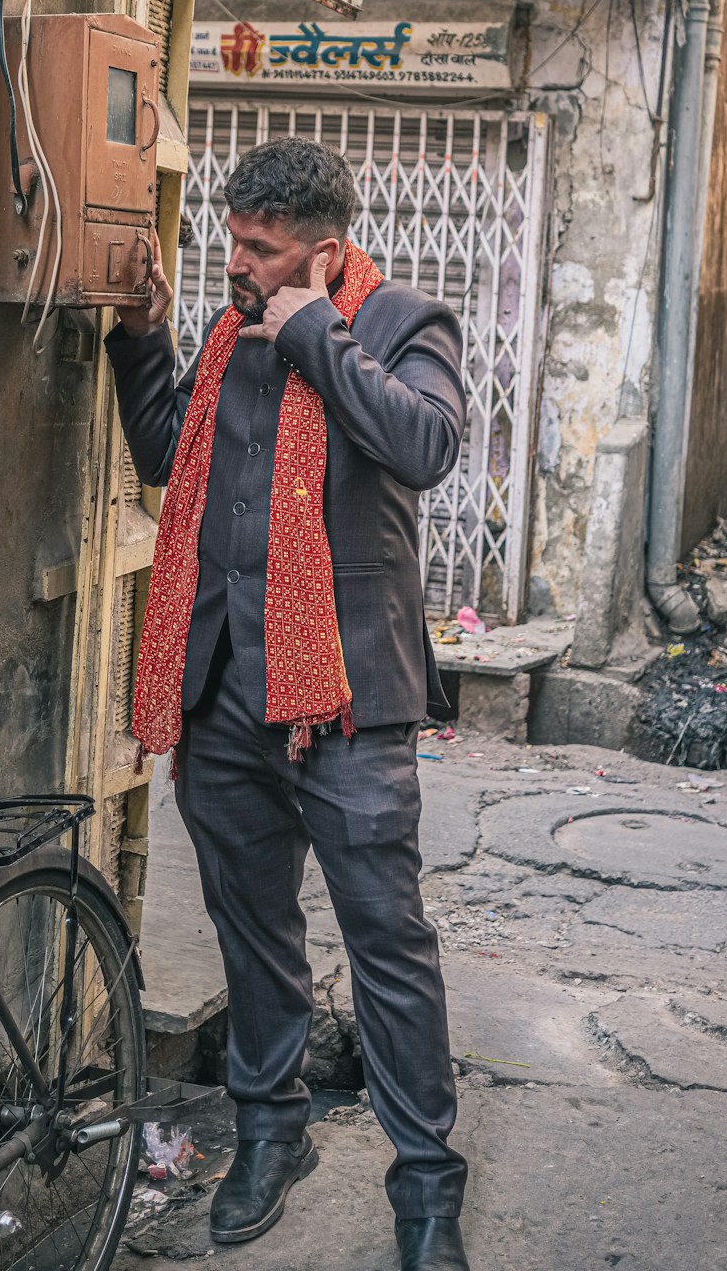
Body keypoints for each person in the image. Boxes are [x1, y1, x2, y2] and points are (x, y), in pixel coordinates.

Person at [106, 137, 471, 1271]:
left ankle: (426, 1197)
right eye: (232, 240)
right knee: (252, 933)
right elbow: (173, 453)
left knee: (387, 947)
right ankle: (271, 1134)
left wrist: (314, 331)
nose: (238, 263)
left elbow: (426, 444)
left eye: (260, 250)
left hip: (351, 701)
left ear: (321, 252)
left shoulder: (406, 321)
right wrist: (140, 338)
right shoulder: (224, 330)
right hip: (224, 693)